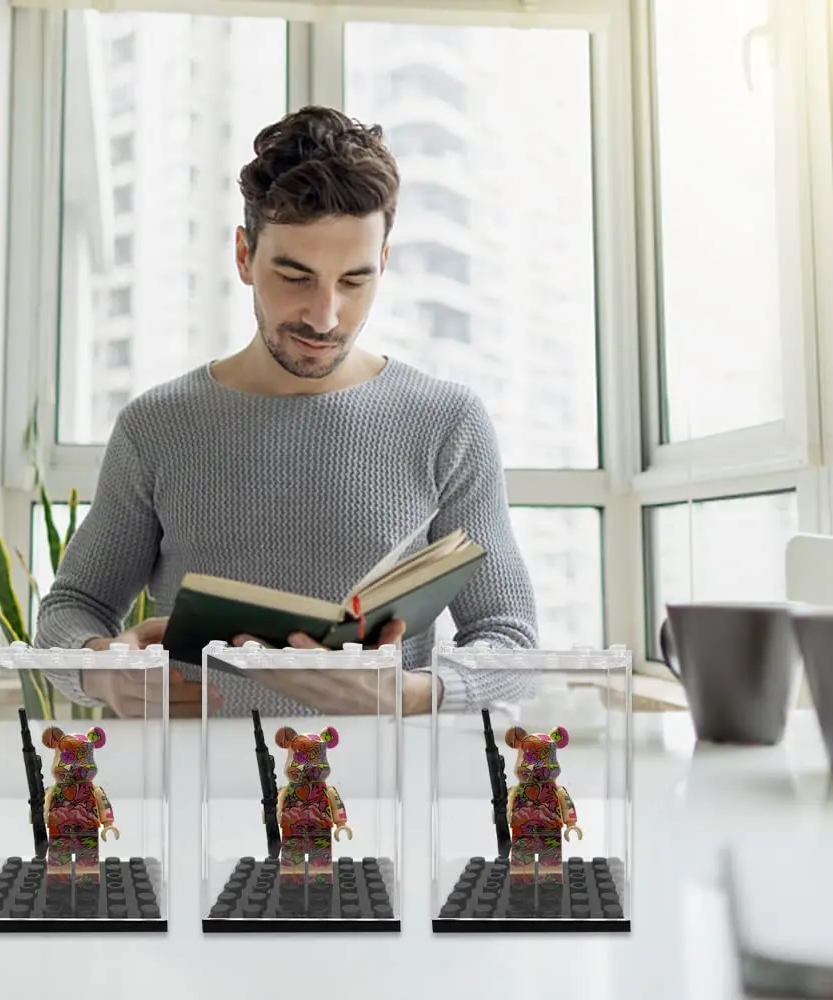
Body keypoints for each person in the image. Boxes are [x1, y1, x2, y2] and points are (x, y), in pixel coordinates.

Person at [34, 105, 538, 719]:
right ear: (244, 256)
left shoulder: (447, 423)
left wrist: (409, 694)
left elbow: (511, 643)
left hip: (378, 799)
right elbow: (71, 608)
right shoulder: (158, 427)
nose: (325, 317)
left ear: (383, 264)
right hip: (198, 798)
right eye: (295, 276)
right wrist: (104, 671)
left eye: (353, 281)